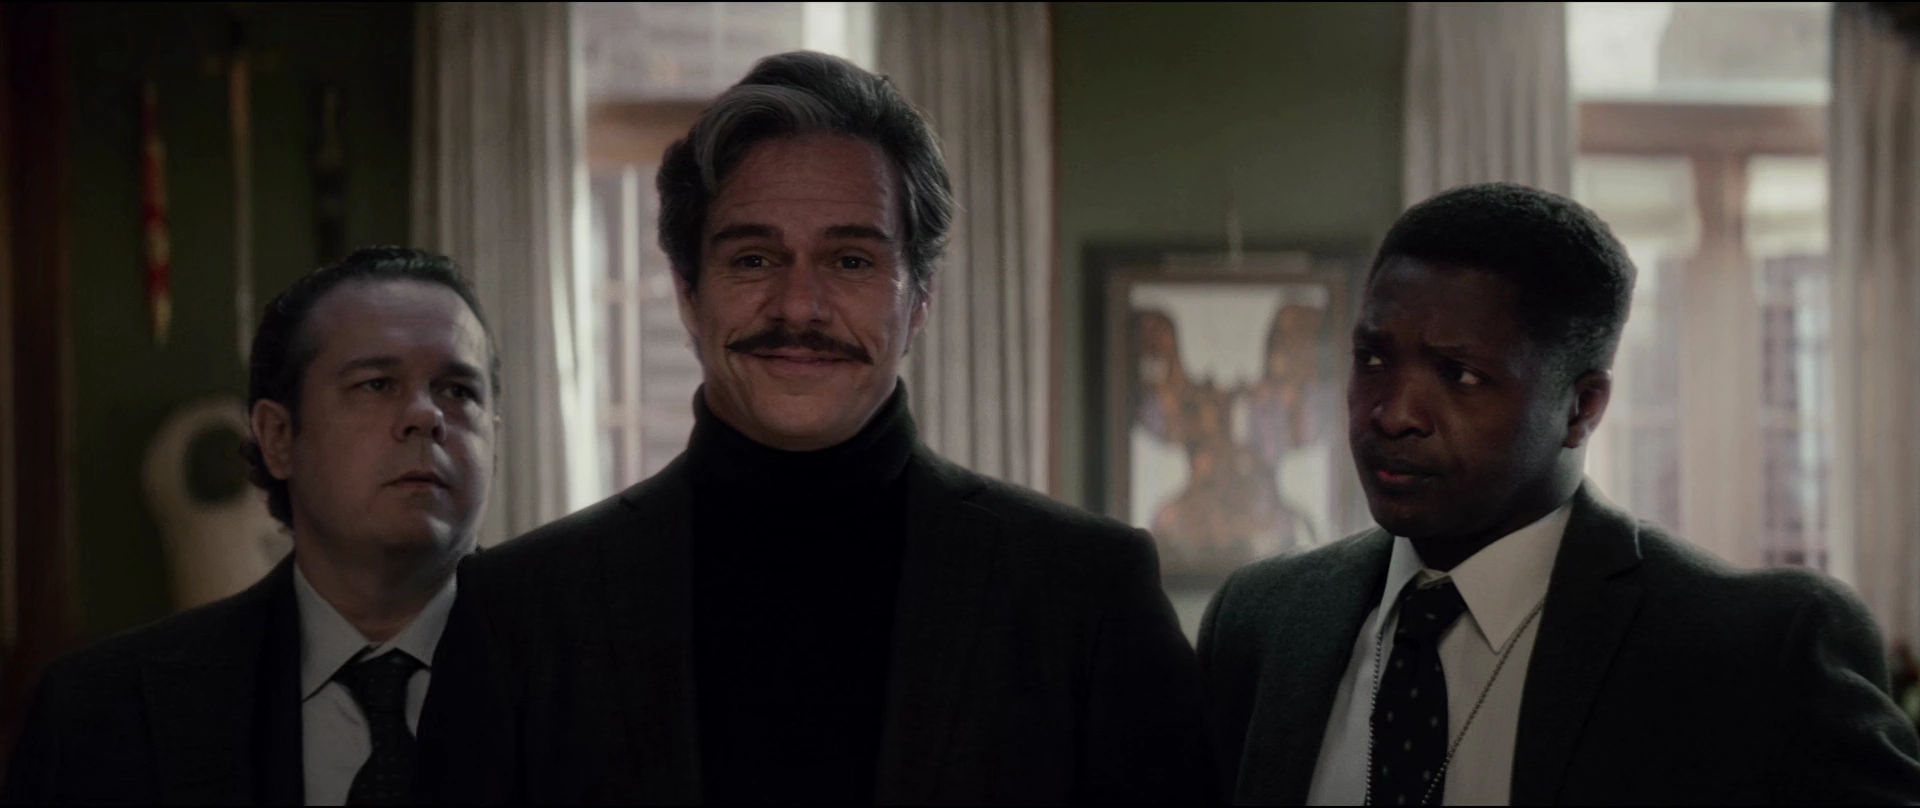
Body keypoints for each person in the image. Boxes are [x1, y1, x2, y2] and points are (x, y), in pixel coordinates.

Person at [419, 51, 1214, 805]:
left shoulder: (1088, 596)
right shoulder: (518, 614)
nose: (799, 306)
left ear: (920, 301)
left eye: (851, 261)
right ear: (689, 295)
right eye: (753, 259)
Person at [1198, 183, 1920, 804]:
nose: (1393, 413)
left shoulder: (1758, 652)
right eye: (1373, 359)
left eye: (1460, 374)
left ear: (1582, 408)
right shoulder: (1263, 621)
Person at [3, 247, 499, 805]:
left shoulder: (574, 672)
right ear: (279, 437)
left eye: (458, 391)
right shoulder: (99, 713)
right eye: (377, 384)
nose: (427, 415)